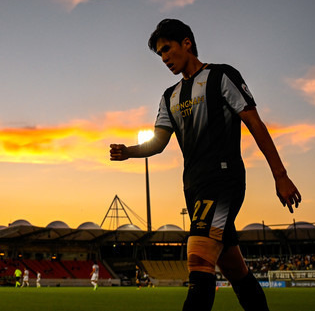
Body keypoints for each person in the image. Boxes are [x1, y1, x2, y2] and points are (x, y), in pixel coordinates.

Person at [110, 19, 301, 311]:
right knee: (236, 271)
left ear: (186, 43)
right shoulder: (169, 96)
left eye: (167, 49)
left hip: (224, 180)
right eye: (159, 54)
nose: (164, 58)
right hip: (194, 187)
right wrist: (130, 151)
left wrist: (281, 175)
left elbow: (254, 123)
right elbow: (159, 143)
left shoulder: (221, 76)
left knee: (198, 263)